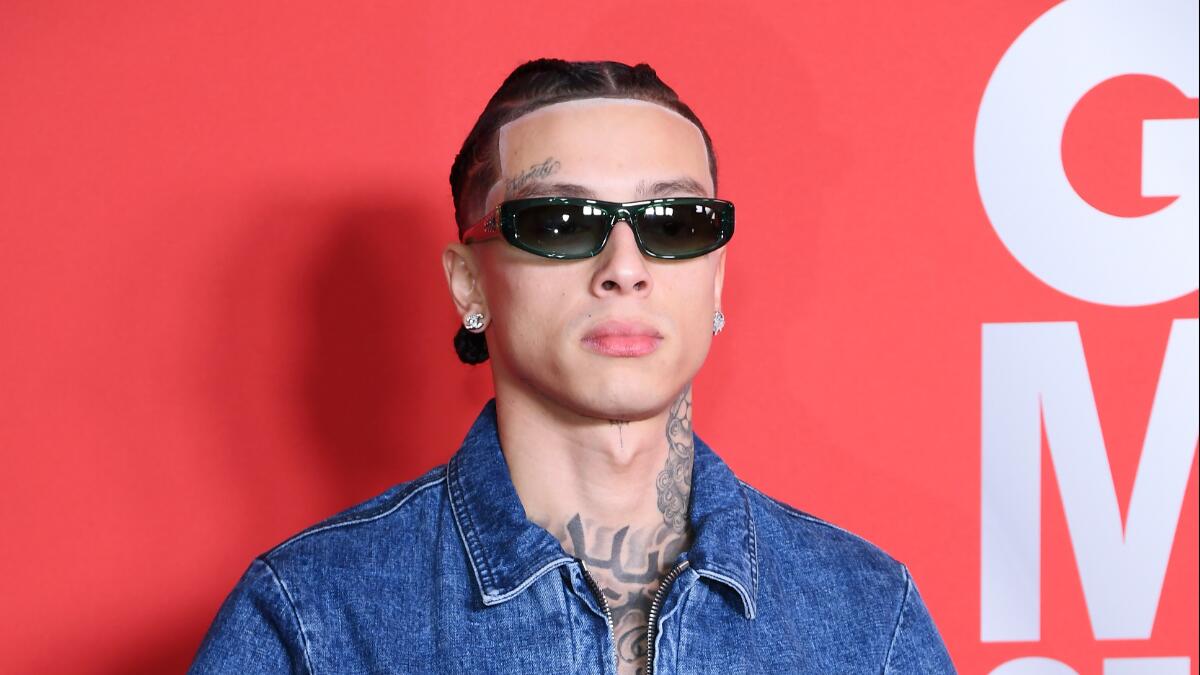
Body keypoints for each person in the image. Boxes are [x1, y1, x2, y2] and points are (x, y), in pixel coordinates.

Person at [189, 58, 956, 674]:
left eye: (676, 222)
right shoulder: (312, 615)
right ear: (469, 283)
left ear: (716, 279)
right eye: (559, 221)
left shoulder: (866, 613)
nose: (625, 268)